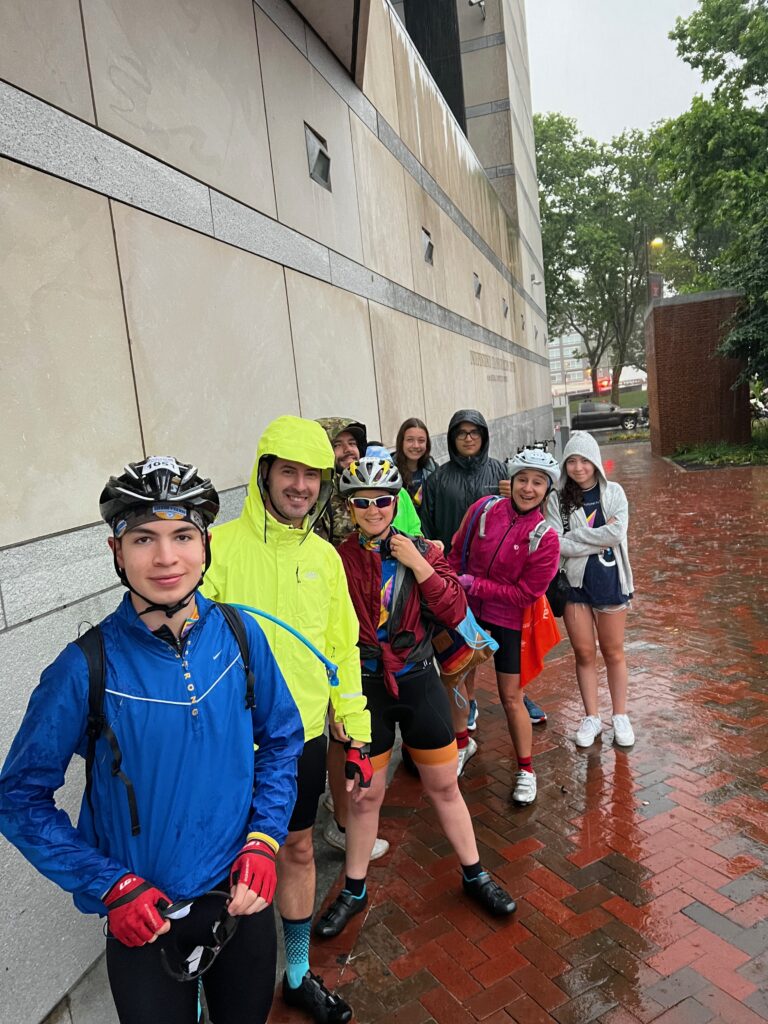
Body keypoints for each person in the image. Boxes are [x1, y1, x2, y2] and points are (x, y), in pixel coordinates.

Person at [0, 456, 304, 1024]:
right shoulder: (83, 668)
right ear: (116, 551)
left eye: (182, 535)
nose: (166, 558)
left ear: (206, 544)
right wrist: (110, 885)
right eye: (143, 538)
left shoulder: (241, 634)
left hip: (240, 897)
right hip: (146, 918)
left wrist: (265, 837)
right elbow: (18, 798)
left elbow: (283, 739)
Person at [201, 417, 371, 1024]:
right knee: (218, 864)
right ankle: (208, 990)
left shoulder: (325, 557)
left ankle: (297, 973)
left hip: (300, 738)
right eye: (289, 472)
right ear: (264, 473)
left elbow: (342, 647)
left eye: (312, 475)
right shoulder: (216, 547)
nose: (300, 485)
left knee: (298, 847)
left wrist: (355, 728)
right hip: (226, 741)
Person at [313, 455, 517, 940]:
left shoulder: (422, 548)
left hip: (419, 679)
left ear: (396, 502)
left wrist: (419, 563)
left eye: (383, 500)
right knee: (365, 797)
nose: (374, 510)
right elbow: (322, 630)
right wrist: (335, 701)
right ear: (348, 507)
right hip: (366, 689)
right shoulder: (334, 558)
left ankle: (475, 874)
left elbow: (454, 607)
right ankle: (354, 889)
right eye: (362, 502)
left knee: (444, 786)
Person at [448, 450, 561, 805]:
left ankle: (526, 769)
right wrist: (452, 589)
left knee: (511, 697)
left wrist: (475, 585)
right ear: (510, 481)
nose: (528, 488)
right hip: (469, 613)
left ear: (547, 490)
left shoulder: (546, 537)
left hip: (509, 621)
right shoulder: (483, 510)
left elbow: (526, 593)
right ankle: (462, 744)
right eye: (522, 479)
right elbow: (456, 551)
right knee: (457, 683)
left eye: (538, 482)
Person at [418, 410, 509, 764]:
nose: (468, 438)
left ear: (483, 436)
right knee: (459, 640)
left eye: (474, 433)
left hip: (491, 574)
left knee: (495, 637)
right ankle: (466, 701)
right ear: (453, 438)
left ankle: (513, 694)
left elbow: (521, 512)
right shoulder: (438, 479)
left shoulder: (499, 471)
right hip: (452, 574)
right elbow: (426, 526)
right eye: (462, 433)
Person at [546, 431, 635, 748]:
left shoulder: (614, 493)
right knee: (584, 653)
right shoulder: (557, 499)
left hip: (610, 582)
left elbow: (616, 534)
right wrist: (597, 537)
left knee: (613, 651)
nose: (578, 467)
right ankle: (592, 717)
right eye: (572, 461)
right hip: (575, 586)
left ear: (595, 461)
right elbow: (555, 543)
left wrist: (576, 537)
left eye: (584, 460)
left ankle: (620, 715)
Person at [394, 417, 437, 510]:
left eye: (421, 440)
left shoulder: (434, 469)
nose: (416, 445)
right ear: (401, 442)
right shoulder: (390, 471)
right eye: (410, 440)